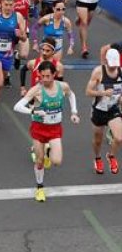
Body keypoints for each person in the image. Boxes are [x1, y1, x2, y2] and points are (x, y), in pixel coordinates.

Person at [14, 61, 80, 202]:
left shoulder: (63, 86)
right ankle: (39, 188)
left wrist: (74, 112)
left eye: (48, 76)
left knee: (57, 161)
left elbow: (72, 95)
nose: (45, 79)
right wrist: (33, 110)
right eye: (42, 76)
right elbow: (17, 106)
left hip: (55, 129)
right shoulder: (36, 90)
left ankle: (49, 152)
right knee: (39, 161)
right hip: (39, 129)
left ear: (54, 75)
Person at [86, 49, 122, 175]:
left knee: (119, 137)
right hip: (99, 110)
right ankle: (97, 158)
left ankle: (111, 156)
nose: (114, 67)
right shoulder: (98, 72)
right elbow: (88, 92)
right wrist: (103, 93)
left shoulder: (121, 72)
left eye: (116, 64)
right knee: (98, 140)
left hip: (113, 109)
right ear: (106, 61)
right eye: (111, 64)